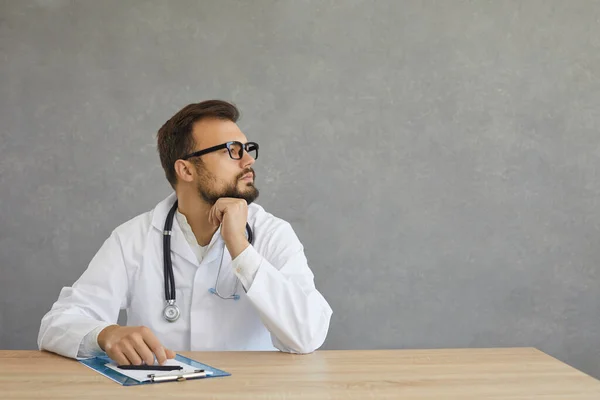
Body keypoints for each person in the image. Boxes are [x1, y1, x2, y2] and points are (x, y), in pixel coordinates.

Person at [38, 100, 333, 366]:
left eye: (247, 149)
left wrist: (240, 249)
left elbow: (306, 335)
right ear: (186, 170)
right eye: (233, 150)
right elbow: (56, 324)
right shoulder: (133, 238)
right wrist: (106, 333)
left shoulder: (272, 234)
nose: (248, 161)